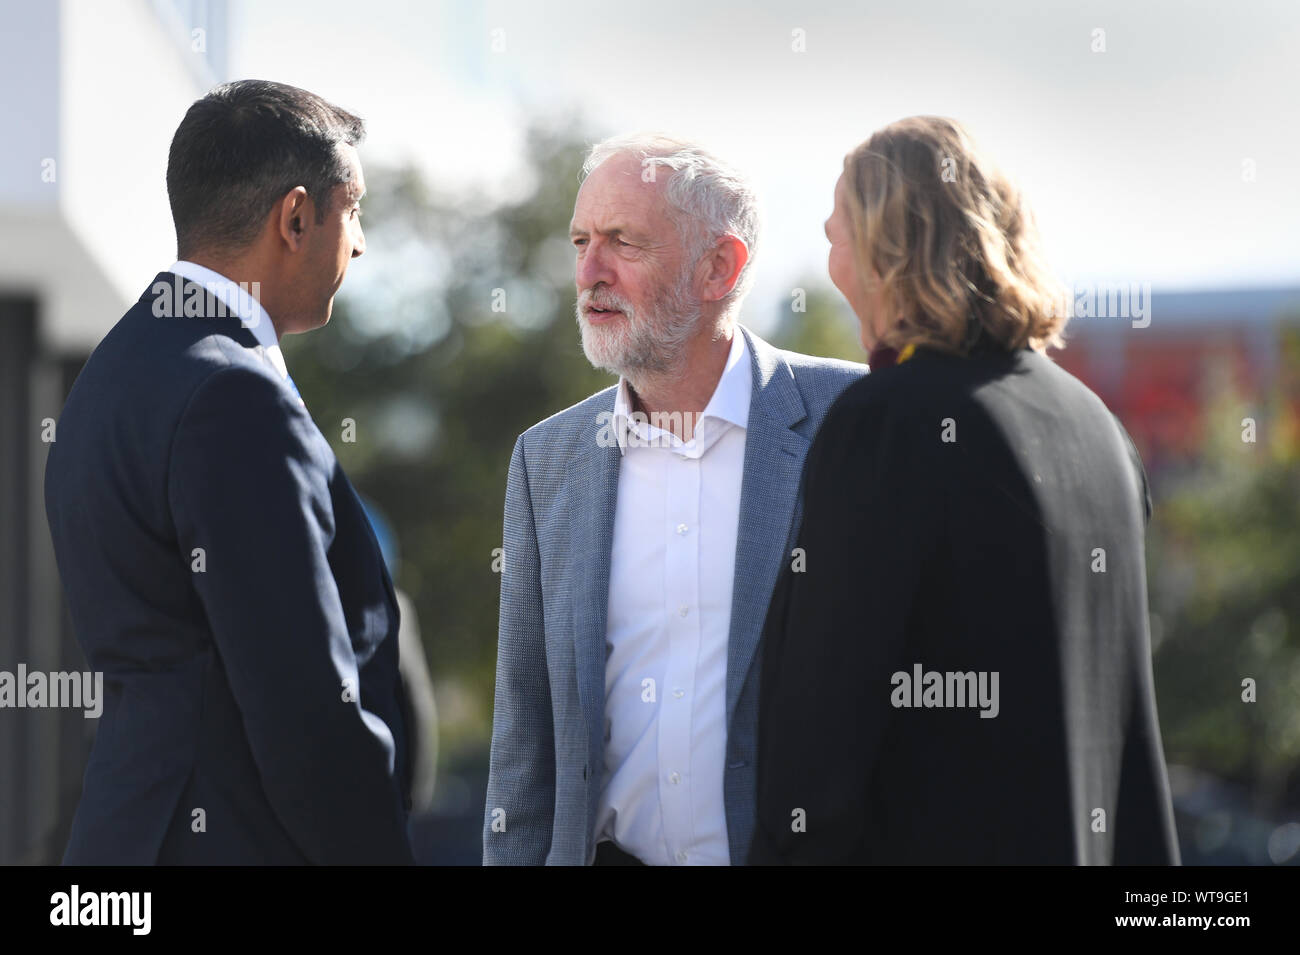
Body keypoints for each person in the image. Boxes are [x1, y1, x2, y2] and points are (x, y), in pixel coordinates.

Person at [748, 116, 1180, 865]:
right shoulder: (1098, 430)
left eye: (834, 232)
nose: (828, 260)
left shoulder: (887, 425)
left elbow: (818, 745)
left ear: (887, 246)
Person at [44, 80, 414, 864]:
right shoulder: (234, 394)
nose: (362, 243)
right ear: (296, 217)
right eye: (356, 211)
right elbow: (303, 707)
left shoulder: (108, 378)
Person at [483, 134, 865, 865]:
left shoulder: (852, 420)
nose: (589, 272)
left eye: (623, 242)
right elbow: (524, 740)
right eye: (581, 241)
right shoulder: (547, 458)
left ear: (719, 267)